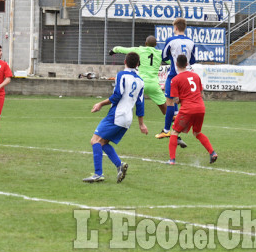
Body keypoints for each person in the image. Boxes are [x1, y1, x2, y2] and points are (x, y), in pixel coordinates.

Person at [83, 52, 147, 183]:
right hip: (127, 119)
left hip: (117, 115)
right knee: (103, 143)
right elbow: (140, 103)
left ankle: (98, 174)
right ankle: (119, 166)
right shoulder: (140, 81)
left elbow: (117, 96)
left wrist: (101, 103)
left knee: (95, 141)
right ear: (137, 64)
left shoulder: (122, 75)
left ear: (125, 62)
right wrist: (141, 124)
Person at [166, 54, 217, 165]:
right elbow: (201, 94)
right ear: (187, 64)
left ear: (176, 64)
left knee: (174, 132)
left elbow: (175, 100)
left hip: (188, 109)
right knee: (197, 132)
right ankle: (212, 153)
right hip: (200, 108)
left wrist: (180, 99)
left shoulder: (175, 80)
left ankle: (172, 160)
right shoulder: (196, 76)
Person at [156, 18, 196, 139]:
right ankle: (177, 132)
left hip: (174, 75)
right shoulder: (191, 42)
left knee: (170, 102)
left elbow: (164, 56)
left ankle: (167, 130)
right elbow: (193, 60)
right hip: (187, 76)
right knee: (181, 103)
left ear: (175, 28)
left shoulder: (171, 40)